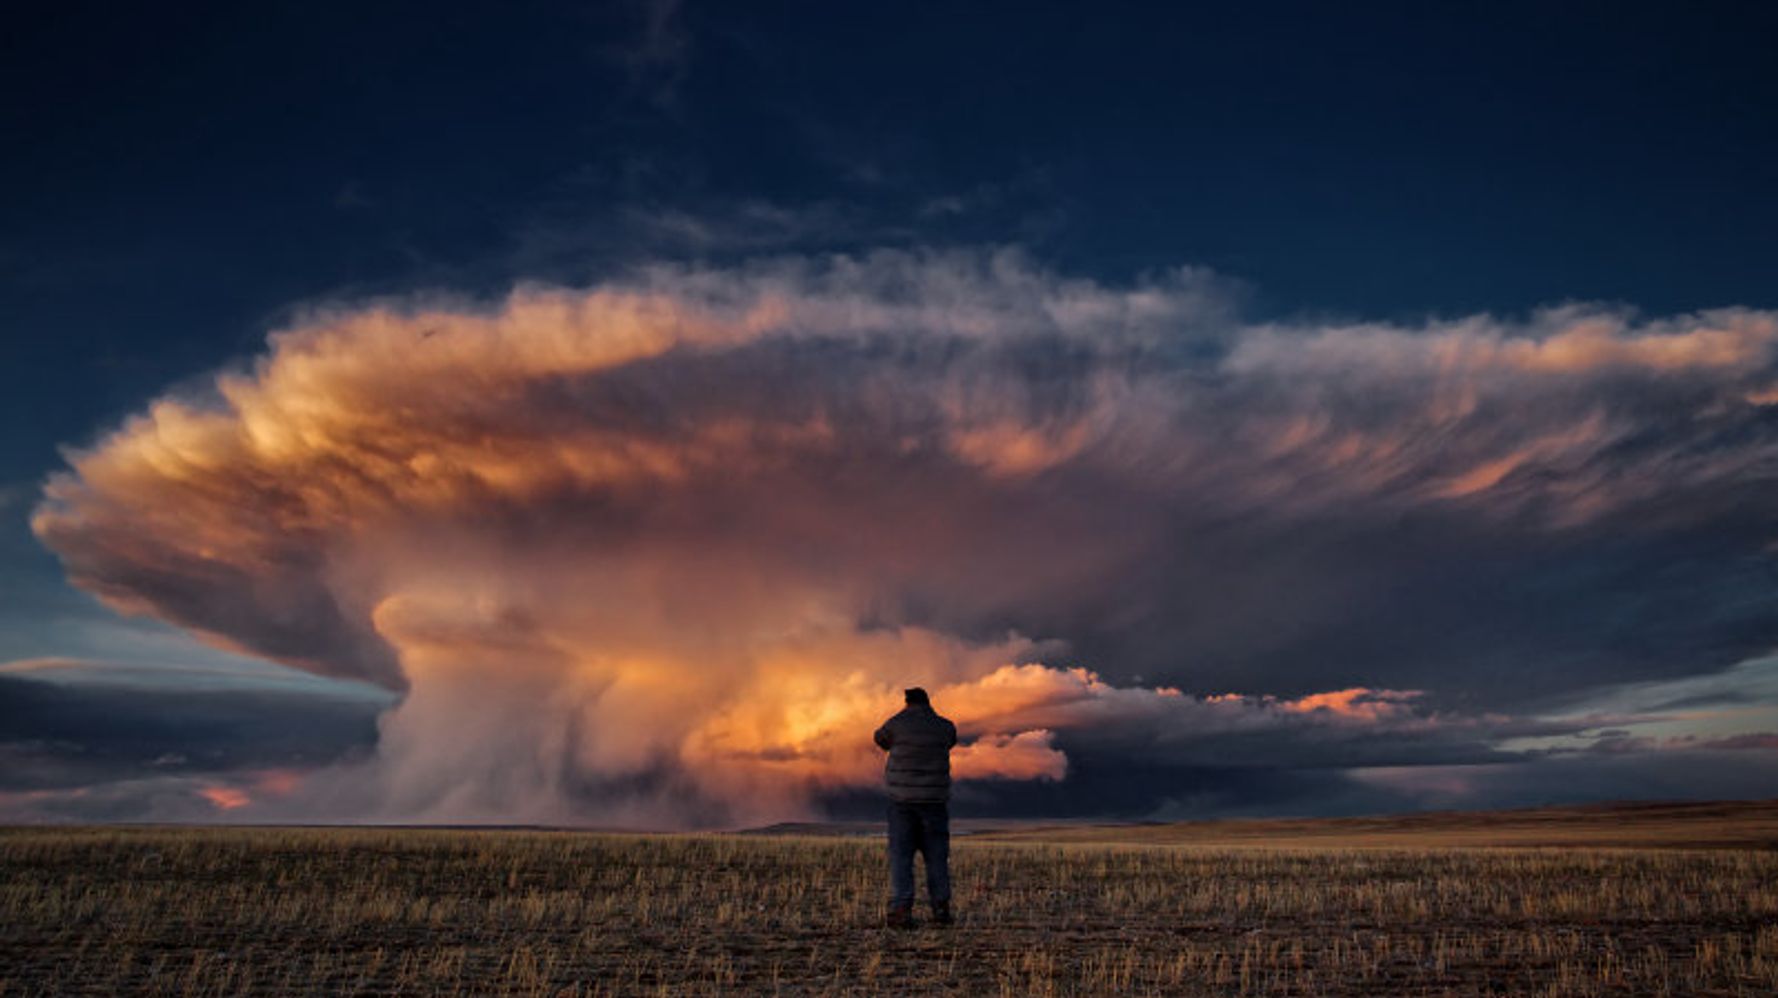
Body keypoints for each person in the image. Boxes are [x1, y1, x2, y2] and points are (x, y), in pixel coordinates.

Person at [872, 686, 958, 928]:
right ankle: (941, 909)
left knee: (901, 858)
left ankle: (901, 910)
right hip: (935, 803)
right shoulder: (945, 726)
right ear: (928, 702)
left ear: (907, 702)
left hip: (902, 803)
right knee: (937, 859)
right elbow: (951, 741)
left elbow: (880, 739)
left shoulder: (896, 724)